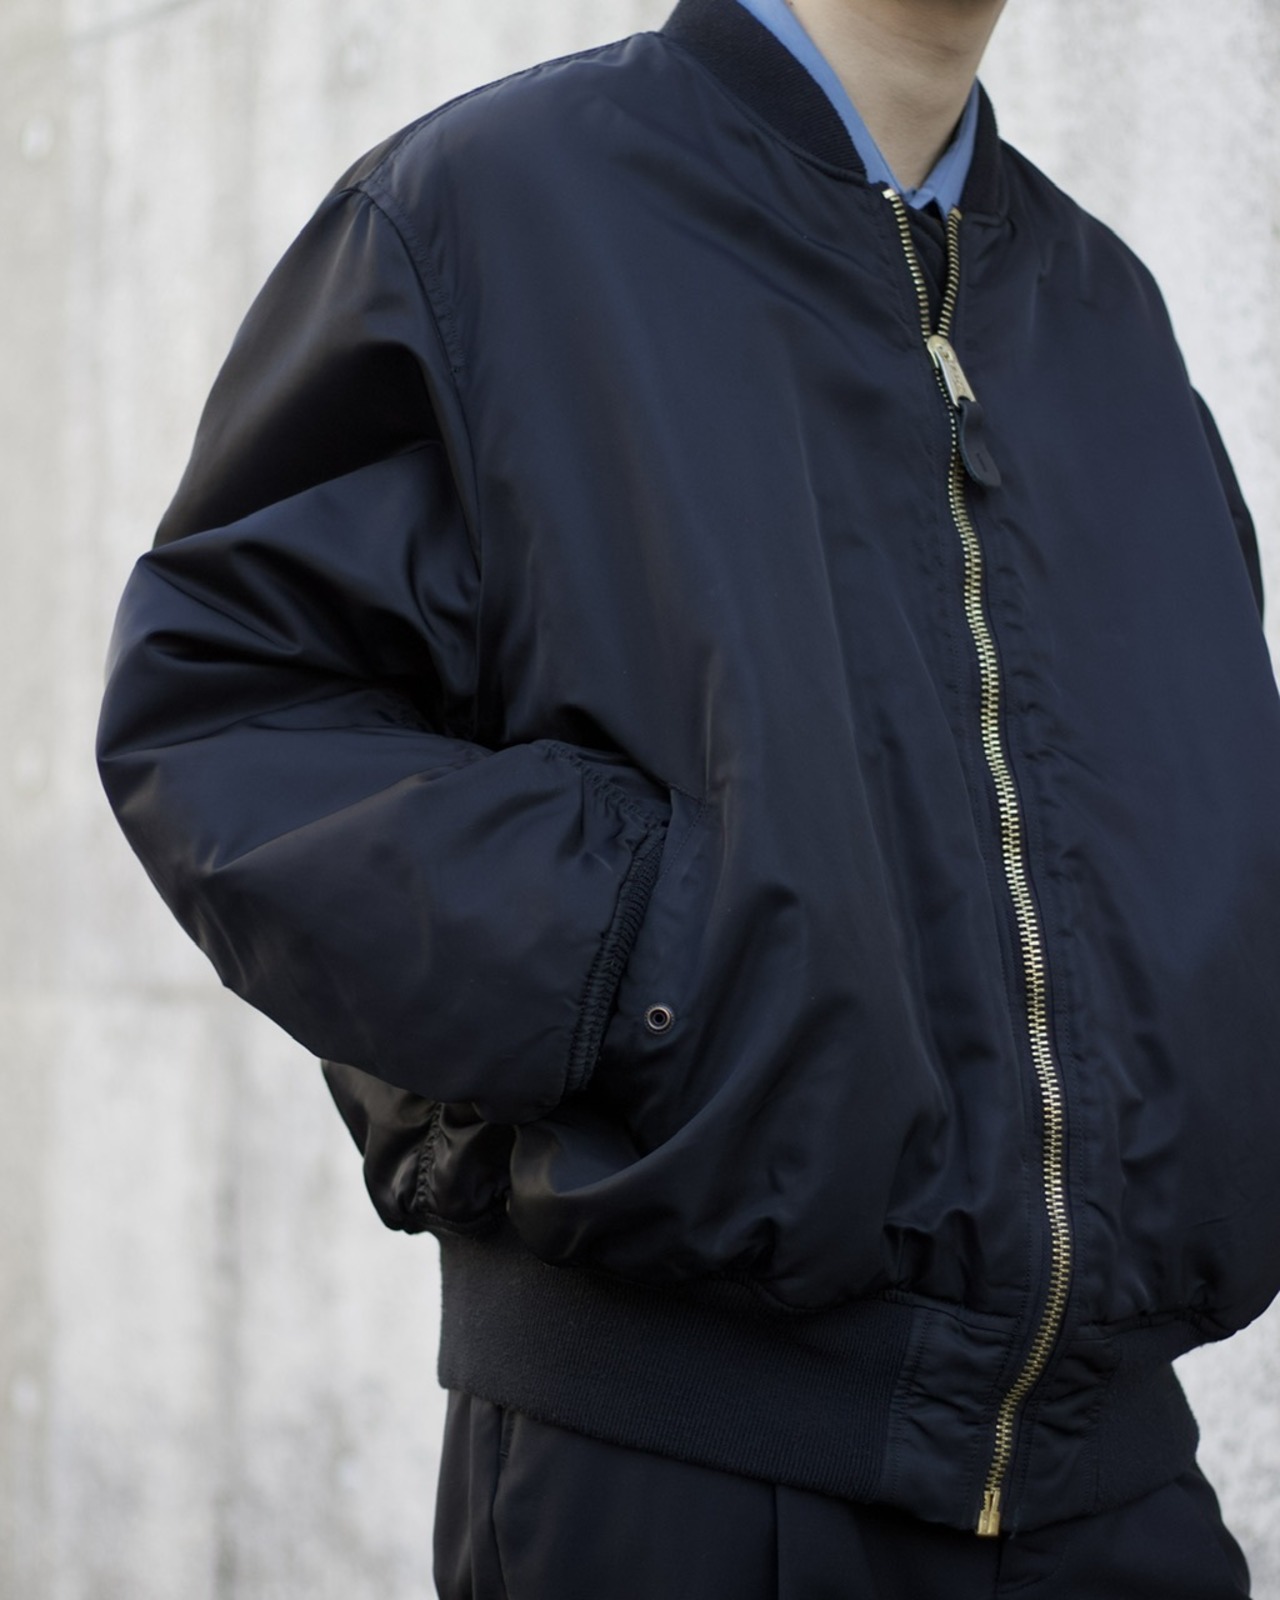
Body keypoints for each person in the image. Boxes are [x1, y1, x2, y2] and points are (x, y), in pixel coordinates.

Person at [95, 0, 1278, 1592]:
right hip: (682, 1472)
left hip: (1115, 1490)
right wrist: (655, 967)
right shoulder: (494, 212)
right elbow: (231, 713)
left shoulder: (1105, 311)